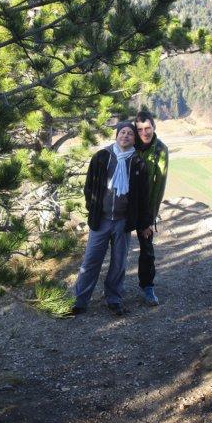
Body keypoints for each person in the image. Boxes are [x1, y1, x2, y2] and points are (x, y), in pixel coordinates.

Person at [72, 121, 152, 316]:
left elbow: (143, 196)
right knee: (91, 261)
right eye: (122, 132)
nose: (125, 136)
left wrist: (144, 222)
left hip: (123, 222)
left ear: (134, 138)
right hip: (101, 220)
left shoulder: (138, 162)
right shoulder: (102, 157)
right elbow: (89, 186)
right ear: (116, 135)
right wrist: (93, 209)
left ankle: (114, 299)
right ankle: (79, 301)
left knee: (119, 263)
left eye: (130, 133)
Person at [134, 111, 169, 306]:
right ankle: (113, 287)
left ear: (154, 127)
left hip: (145, 207)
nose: (144, 133)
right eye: (139, 129)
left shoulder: (160, 150)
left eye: (147, 128)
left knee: (147, 249)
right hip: (126, 205)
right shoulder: (130, 144)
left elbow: (159, 186)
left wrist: (150, 219)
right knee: (117, 246)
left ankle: (147, 287)